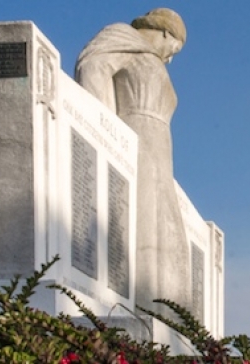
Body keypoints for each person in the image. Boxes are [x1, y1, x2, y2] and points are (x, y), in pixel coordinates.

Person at [75, 8, 191, 315]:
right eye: (174, 48)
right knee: (141, 224)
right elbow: (93, 67)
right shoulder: (122, 38)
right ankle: (139, 307)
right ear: (166, 33)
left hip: (161, 151)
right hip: (136, 140)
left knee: (167, 234)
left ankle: (164, 313)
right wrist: (108, 133)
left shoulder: (152, 60)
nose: (171, 58)